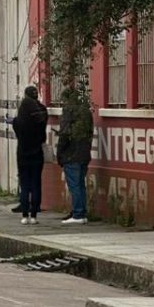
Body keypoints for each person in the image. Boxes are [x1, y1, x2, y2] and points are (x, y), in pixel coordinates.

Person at [56, 85, 94, 225]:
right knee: (80, 184)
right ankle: (81, 213)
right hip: (84, 152)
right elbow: (90, 132)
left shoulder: (69, 111)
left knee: (74, 185)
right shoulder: (86, 111)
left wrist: (59, 153)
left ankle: (78, 214)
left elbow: (64, 134)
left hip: (71, 154)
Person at [12, 85, 48, 226]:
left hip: (23, 153)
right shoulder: (42, 111)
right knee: (36, 183)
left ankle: (24, 214)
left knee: (25, 184)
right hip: (37, 152)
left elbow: (17, 127)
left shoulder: (22, 114)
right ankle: (34, 215)